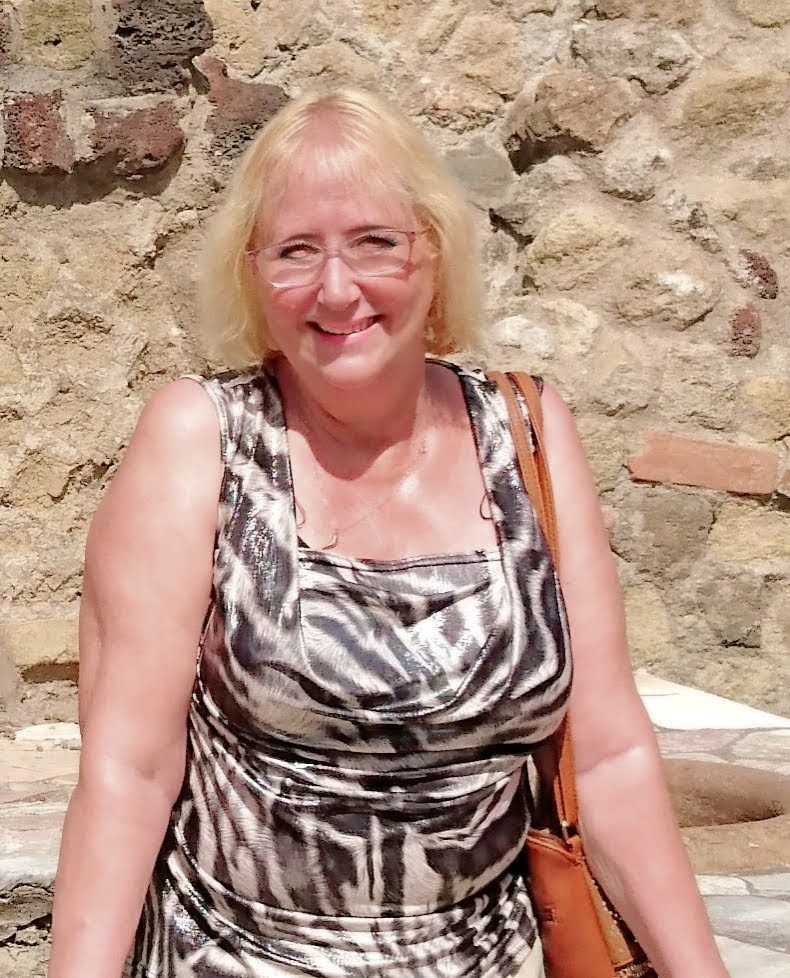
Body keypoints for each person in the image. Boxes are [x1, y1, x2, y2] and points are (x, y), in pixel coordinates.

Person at [48, 88, 729, 978]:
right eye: (296, 251)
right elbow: (128, 771)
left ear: (434, 253)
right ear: (253, 273)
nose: (337, 289)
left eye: (375, 242)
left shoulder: (526, 434)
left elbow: (609, 756)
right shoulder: (203, 437)